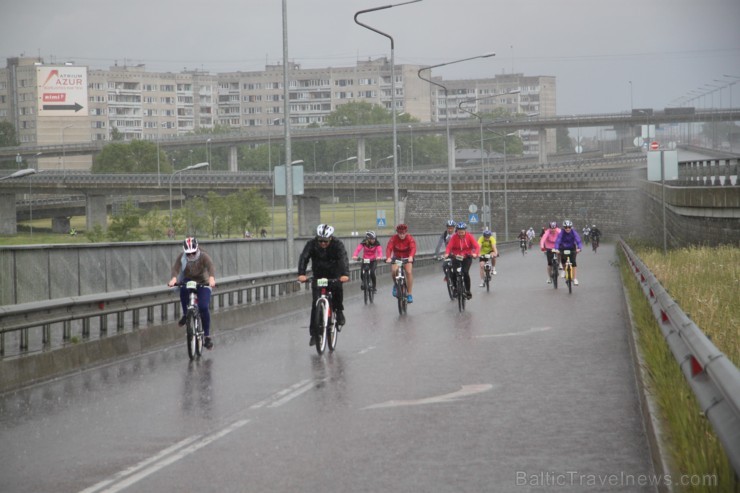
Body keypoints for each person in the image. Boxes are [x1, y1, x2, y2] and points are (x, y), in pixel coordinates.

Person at [297, 224, 350, 347]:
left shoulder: (338, 245)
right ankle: (314, 334)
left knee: (337, 289)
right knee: (316, 303)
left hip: (334, 274)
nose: (323, 243)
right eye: (320, 241)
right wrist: (301, 274)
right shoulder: (311, 244)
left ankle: (339, 311)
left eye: (325, 241)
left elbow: (343, 259)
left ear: (331, 238)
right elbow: (304, 257)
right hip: (318, 275)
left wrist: (344, 274)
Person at [167, 237, 217, 349]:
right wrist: (174, 278)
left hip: (203, 282)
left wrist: (212, 278)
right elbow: (175, 268)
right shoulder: (182, 257)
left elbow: (211, 267)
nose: (191, 256)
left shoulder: (204, 256)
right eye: (188, 254)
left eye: (193, 253)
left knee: (203, 307)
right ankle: (186, 314)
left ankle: (207, 336)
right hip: (189, 281)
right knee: (183, 288)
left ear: (197, 249)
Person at [445, 222, 480, 299]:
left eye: (462, 231)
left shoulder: (469, 236)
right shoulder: (454, 237)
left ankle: (468, 291)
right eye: (459, 231)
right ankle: (455, 289)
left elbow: (477, 246)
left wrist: (475, 254)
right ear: (457, 230)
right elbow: (448, 247)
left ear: (465, 230)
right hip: (456, 256)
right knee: (454, 272)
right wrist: (447, 254)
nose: (460, 233)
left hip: (467, 256)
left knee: (465, 272)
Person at [385, 223, 416, 303]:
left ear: (406, 232)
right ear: (397, 233)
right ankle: (396, 285)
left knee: (408, 272)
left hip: (407, 258)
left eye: (403, 233)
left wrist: (411, 256)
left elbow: (413, 248)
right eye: (400, 233)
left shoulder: (409, 238)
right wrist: (388, 257)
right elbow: (389, 248)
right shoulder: (394, 238)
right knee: (394, 271)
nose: (401, 235)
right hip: (398, 259)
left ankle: (409, 294)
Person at [554, 219, 583, 285]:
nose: (567, 229)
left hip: (572, 248)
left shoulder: (573, 232)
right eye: (566, 227)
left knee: (573, 263)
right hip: (563, 248)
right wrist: (556, 249)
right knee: (563, 259)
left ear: (571, 227)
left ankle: (575, 278)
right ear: (564, 228)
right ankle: (564, 270)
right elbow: (558, 241)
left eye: (569, 227)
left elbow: (578, 240)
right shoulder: (562, 232)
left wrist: (579, 248)